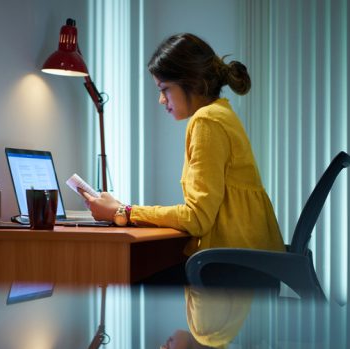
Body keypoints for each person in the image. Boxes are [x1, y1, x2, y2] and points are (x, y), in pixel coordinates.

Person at [82, 33, 285, 273]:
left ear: (191, 82)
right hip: (252, 262)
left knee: (126, 276)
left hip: (233, 267)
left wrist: (124, 212)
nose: (161, 100)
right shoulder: (222, 113)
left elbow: (197, 218)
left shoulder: (206, 120)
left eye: (164, 89)